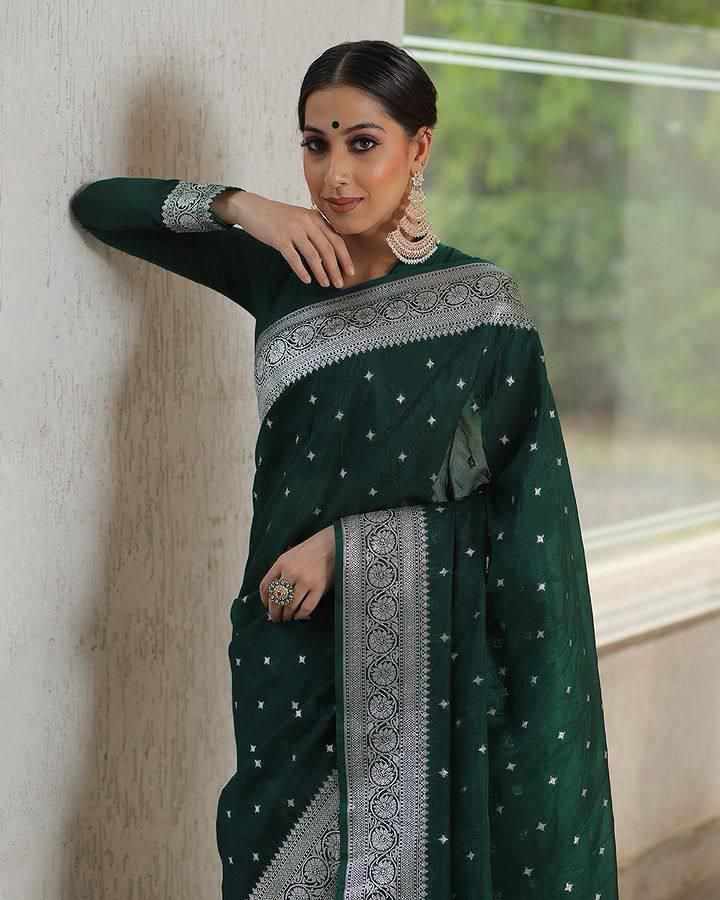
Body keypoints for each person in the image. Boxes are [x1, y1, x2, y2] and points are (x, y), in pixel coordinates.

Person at [70, 38, 619, 900]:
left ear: (419, 147)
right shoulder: (278, 271)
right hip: (290, 654)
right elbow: (101, 207)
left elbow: (517, 512)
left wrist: (344, 548)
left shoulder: (484, 307)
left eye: (364, 143)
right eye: (315, 144)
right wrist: (247, 209)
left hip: (430, 667)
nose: (335, 175)